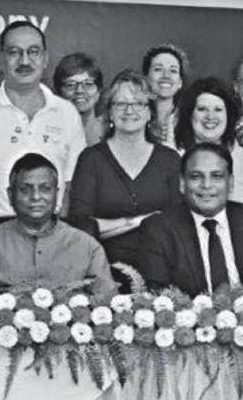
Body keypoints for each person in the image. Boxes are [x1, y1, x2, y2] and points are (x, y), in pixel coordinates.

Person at [0, 20, 86, 246]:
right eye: (14, 52)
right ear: (0, 59)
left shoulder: (67, 112)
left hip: (52, 241)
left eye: (33, 52)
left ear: (45, 59)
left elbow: (71, 186)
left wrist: (56, 237)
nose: (24, 61)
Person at [136, 143, 243, 295]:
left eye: (217, 176)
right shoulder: (158, 230)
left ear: (231, 183)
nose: (207, 185)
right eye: (196, 176)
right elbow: (157, 298)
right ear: (182, 183)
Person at [68, 69, 181, 269]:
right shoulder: (91, 159)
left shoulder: (169, 160)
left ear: (150, 112)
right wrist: (135, 221)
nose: (129, 111)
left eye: (138, 103)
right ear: (110, 112)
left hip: (163, 268)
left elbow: (178, 223)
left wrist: (107, 225)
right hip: (102, 269)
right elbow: (80, 226)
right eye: (121, 104)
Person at [0, 153, 116, 297]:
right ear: (10, 195)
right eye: (25, 190)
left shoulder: (87, 246)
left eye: (45, 189)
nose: (36, 196)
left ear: (57, 194)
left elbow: (108, 304)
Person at [172, 77, 243, 202]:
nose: (210, 116)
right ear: (189, 114)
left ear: (228, 115)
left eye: (218, 110)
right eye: (202, 109)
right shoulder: (171, 159)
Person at [53, 52, 107, 146]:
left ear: (98, 92)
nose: (79, 90)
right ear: (59, 93)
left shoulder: (112, 131)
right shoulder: (50, 132)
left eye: (88, 84)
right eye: (70, 85)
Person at [143, 43, 188, 147]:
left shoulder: (188, 120)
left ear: (180, 82)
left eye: (173, 71)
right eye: (158, 69)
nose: (166, 75)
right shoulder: (135, 117)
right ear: (146, 78)